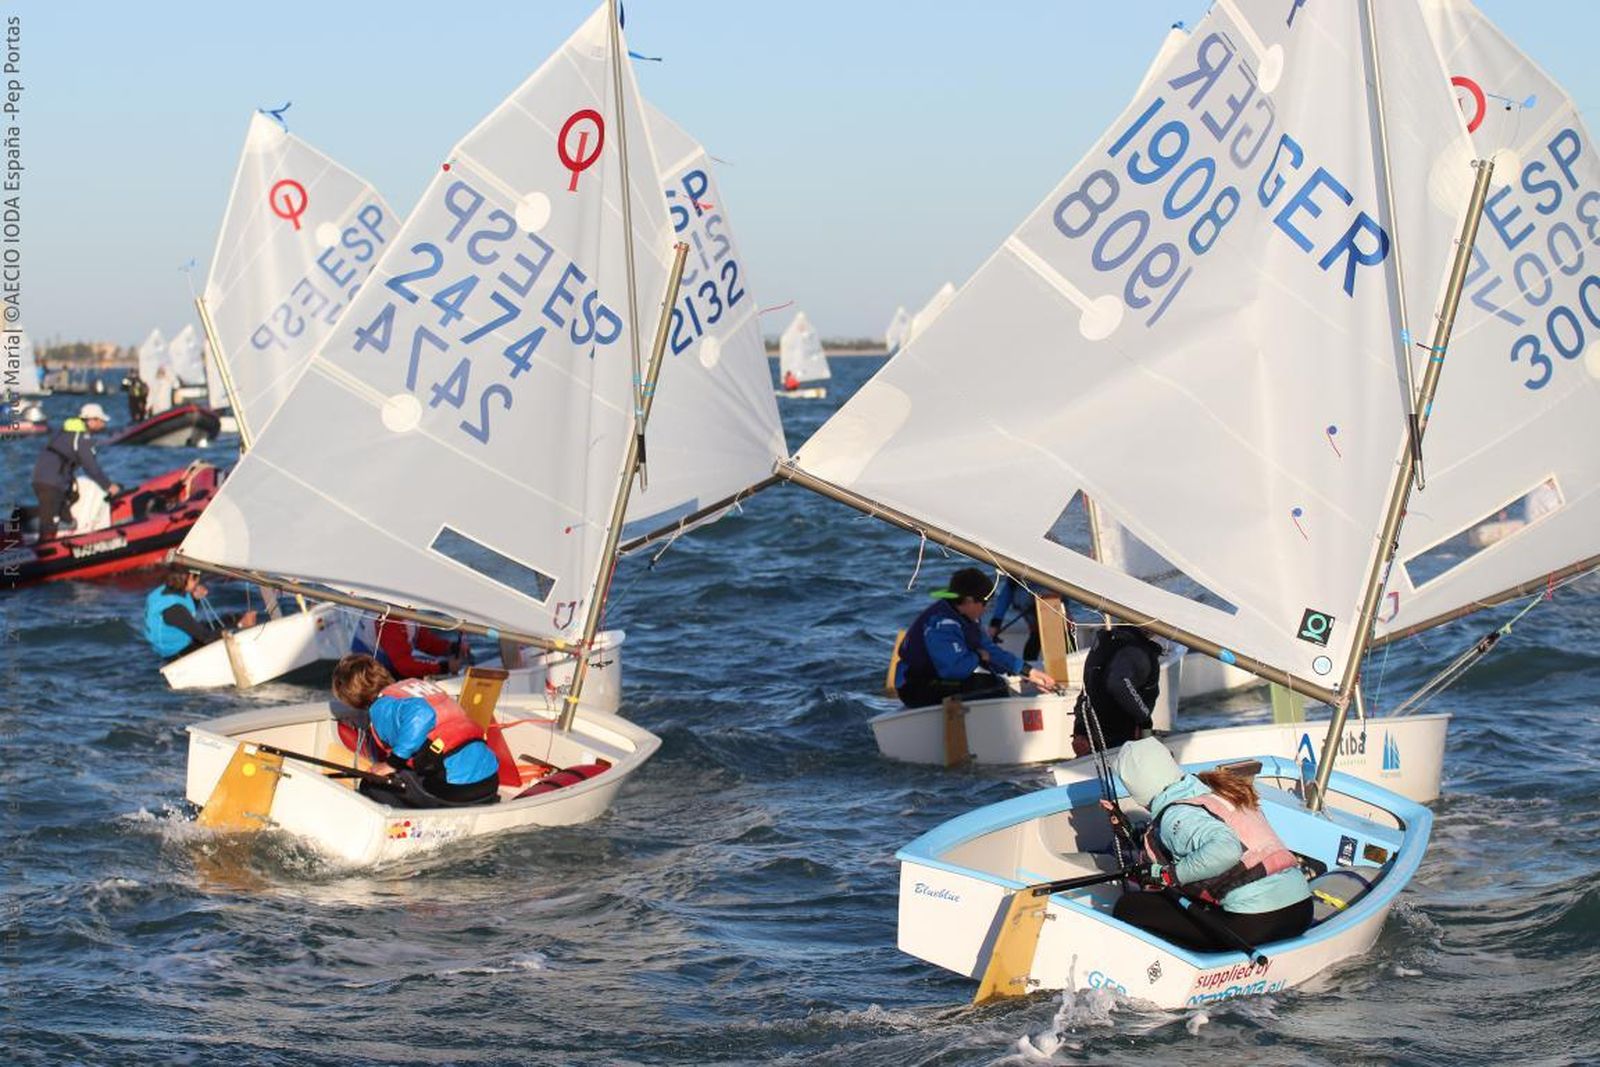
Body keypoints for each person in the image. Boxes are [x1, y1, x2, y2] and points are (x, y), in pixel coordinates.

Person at [1111, 737, 1313, 951]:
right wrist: (1132, 835)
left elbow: (1227, 849)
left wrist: (1168, 875)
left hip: (1259, 922)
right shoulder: (1215, 794)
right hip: (1300, 911)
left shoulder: (1175, 815)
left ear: (1138, 786)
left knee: (1129, 907)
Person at [331, 653, 500, 808]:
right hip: (490, 781)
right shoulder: (415, 685)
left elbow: (423, 714)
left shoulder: (381, 706)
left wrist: (391, 764)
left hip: (458, 789)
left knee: (371, 785)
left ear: (350, 695)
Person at [895, 566, 1057, 707]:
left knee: (995, 683)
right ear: (968, 601)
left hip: (936, 678)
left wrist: (1028, 672)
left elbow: (991, 652)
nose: (986, 608)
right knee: (991, 686)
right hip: (915, 687)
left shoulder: (967, 618)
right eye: (984, 603)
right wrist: (978, 656)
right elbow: (952, 670)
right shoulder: (941, 625)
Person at [30, 402, 120, 541]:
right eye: (101, 421)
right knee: (48, 525)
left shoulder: (67, 430)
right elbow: (91, 467)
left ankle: (63, 540)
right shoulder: (81, 437)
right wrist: (109, 486)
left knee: (65, 517)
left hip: (44, 480)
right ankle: (44, 555)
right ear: (92, 420)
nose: (104, 424)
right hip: (51, 483)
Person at [1072, 624, 1164, 756]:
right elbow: (1118, 683)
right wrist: (1144, 720)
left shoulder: (1106, 643)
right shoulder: (1135, 651)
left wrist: (1080, 729)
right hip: (1119, 739)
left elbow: (1087, 691)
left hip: (1094, 736)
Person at [142, 567, 259, 659]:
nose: (198, 583)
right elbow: (205, 638)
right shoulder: (174, 610)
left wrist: (195, 598)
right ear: (189, 578)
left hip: (182, 638)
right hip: (178, 653)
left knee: (233, 618)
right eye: (197, 579)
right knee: (237, 626)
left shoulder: (165, 590)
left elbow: (185, 617)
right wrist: (240, 626)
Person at [351, 617, 469, 679]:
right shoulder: (390, 622)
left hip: (391, 663)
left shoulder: (407, 614)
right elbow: (404, 666)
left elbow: (424, 641)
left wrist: (451, 647)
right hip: (369, 672)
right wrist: (444, 667)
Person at [986, 573, 1042, 661]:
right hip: (1035, 629)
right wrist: (995, 624)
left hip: (1059, 626)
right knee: (1030, 653)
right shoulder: (1012, 584)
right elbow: (1003, 600)